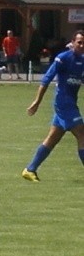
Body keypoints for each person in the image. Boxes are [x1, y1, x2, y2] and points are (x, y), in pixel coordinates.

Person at [22, 30, 84, 182]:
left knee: (53, 138)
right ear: (73, 42)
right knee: (82, 135)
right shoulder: (63, 58)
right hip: (63, 103)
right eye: (79, 42)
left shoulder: (82, 61)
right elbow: (46, 80)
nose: (82, 45)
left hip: (70, 103)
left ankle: (30, 170)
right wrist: (37, 102)